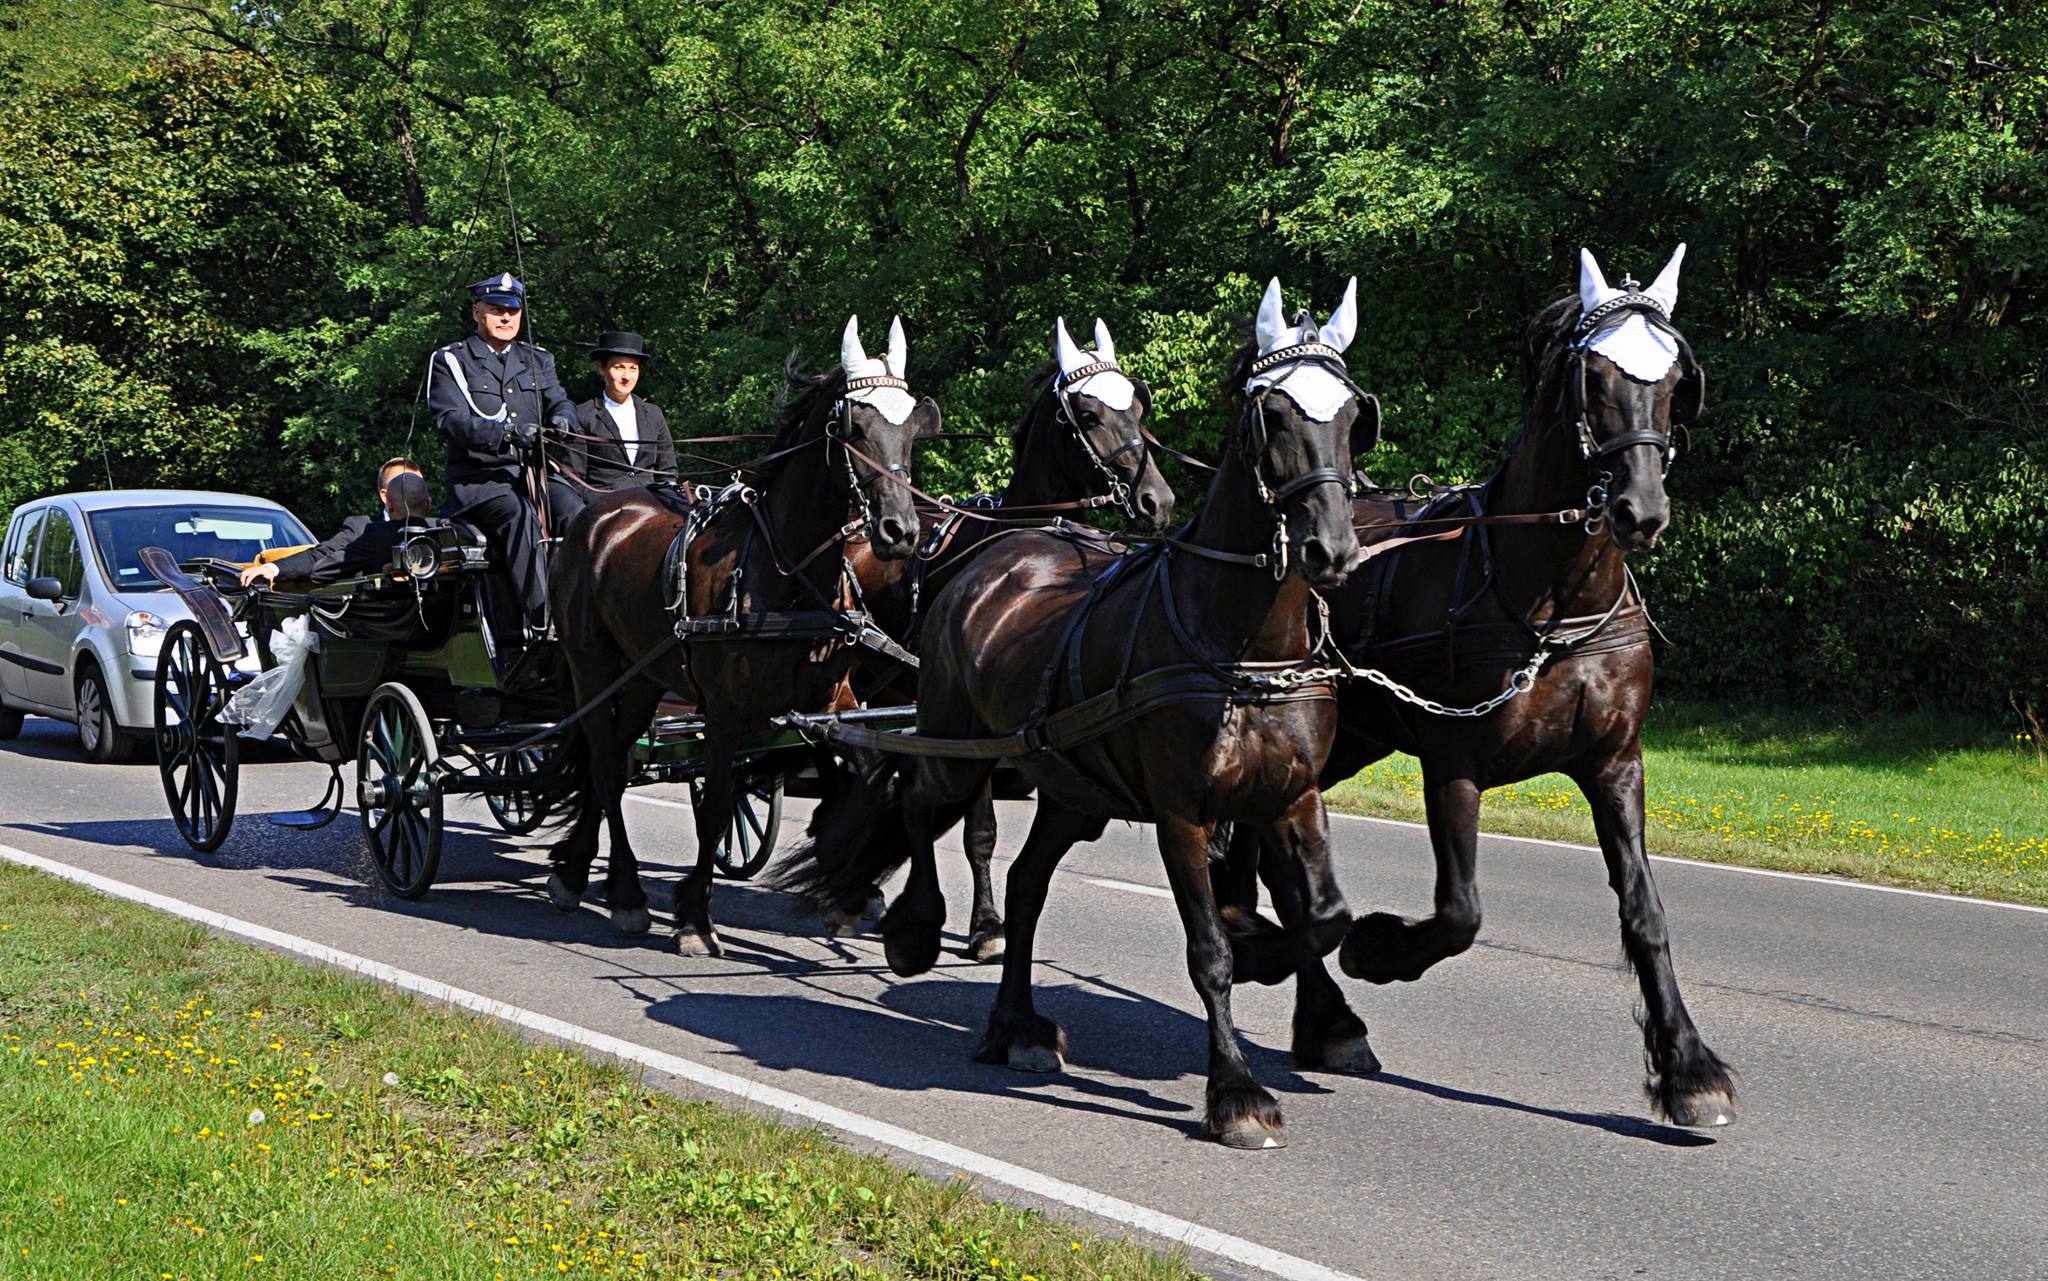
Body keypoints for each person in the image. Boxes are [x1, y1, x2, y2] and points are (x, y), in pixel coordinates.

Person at [424, 272, 580, 641]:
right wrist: (506, 434)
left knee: (576, 511)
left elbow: (560, 399)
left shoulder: (538, 359)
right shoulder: (452, 360)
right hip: (480, 482)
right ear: (477, 312)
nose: (507, 318)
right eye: (497, 310)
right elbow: (450, 420)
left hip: (533, 475)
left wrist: (562, 419)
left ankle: (585, 607)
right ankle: (544, 621)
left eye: (513, 311)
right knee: (520, 515)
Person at [238, 470, 435, 587]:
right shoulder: (446, 530)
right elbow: (320, 554)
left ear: (389, 502)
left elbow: (322, 571)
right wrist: (273, 567)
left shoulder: (375, 534)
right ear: (428, 503)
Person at [565, 331, 678, 496]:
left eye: (633, 369)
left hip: (651, 502)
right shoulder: (583, 415)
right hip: (607, 504)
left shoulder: (654, 414)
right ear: (602, 368)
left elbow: (667, 471)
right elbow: (573, 477)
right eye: (619, 368)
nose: (627, 377)